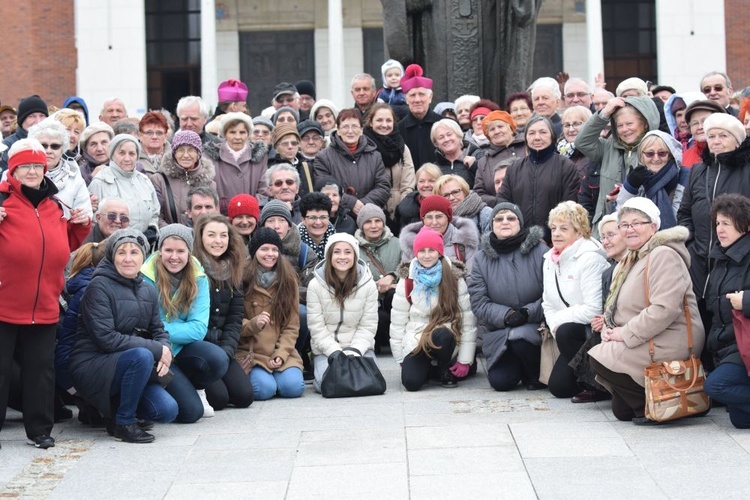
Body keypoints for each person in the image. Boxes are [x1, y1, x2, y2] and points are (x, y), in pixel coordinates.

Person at [0, 139, 90, 449]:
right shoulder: (1, 202)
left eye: (37, 166)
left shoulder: (55, 206)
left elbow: (65, 246)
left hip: (45, 303)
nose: (31, 171)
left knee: (41, 372)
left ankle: (39, 430)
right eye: (24, 166)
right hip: (5, 303)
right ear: (13, 169)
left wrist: (80, 225)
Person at [588, 198, 705, 425]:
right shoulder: (633, 257)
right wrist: (611, 329)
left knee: (599, 357)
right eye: (624, 224)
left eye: (637, 223)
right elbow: (622, 306)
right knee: (621, 412)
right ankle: (665, 401)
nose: (630, 229)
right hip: (647, 333)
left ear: (653, 226)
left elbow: (665, 309)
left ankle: (663, 405)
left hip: (671, 335)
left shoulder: (663, 255)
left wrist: (624, 334)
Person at [70, 229, 178, 443]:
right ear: (112, 256)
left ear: (143, 257)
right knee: (142, 356)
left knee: (166, 411)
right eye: (121, 253)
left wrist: (166, 350)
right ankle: (124, 422)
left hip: (127, 363)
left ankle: (112, 409)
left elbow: (158, 329)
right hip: (92, 363)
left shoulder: (147, 290)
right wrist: (155, 349)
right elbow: (106, 338)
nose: (128, 258)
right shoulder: (98, 286)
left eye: (134, 252)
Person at [141, 224, 229, 422]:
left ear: (189, 252)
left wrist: (163, 328)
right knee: (191, 413)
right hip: (158, 351)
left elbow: (198, 329)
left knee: (218, 359)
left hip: (182, 349)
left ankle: (194, 386)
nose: (174, 257)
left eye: (180, 251)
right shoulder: (145, 277)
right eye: (168, 250)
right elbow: (147, 327)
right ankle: (158, 390)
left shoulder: (198, 277)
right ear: (160, 250)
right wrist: (168, 331)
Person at [469, 203, 546, 391]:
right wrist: (506, 315)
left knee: (522, 340)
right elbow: (478, 301)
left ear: (520, 223)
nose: (505, 222)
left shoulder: (541, 252)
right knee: (500, 383)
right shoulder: (481, 258)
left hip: (534, 327)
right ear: (492, 224)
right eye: (499, 218)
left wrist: (528, 313)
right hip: (500, 331)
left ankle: (533, 373)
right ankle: (514, 366)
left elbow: (551, 295)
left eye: (511, 218)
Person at [390, 227, 477, 390]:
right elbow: (398, 321)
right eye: (422, 251)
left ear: (440, 252)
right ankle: (430, 368)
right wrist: (400, 357)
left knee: (442, 335)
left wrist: (465, 359)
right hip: (417, 337)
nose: (427, 255)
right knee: (411, 383)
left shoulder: (454, 278)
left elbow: (467, 321)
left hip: (445, 334)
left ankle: (445, 367)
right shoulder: (407, 280)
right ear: (416, 253)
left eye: (432, 250)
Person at [677, 113, 750, 305]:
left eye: (723, 136)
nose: (716, 141)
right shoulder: (698, 170)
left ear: (737, 140)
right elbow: (684, 212)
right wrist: (691, 243)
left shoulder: (747, 170)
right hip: (699, 260)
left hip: (737, 262)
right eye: (711, 136)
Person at [542, 201, 609, 400]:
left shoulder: (590, 258)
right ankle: (587, 380)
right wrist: (553, 324)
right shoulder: (549, 259)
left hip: (590, 332)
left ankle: (600, 384)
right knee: (559, 388)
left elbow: (594, 309)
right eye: (553, 228)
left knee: (566, 330)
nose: (556, 234)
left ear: (579, 232)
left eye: (564, 228)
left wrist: (558, 322)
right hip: (565, 332)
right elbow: (547, 302)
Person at [193, 213, 254, 411]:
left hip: (222, 347)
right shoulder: (193, 269)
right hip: (199, 348)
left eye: (223, 235)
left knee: (244, 396)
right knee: (218, 399)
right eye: (211, 235)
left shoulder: (233, 269)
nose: (218, 241)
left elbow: (234, 320)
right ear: (200, 238)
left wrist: (227, 353)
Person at [307, 232, 379, 392]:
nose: (342, 257)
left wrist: (354, 350)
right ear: (329, 256)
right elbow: (316, 328)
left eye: (348, 252)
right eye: (337, 252)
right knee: (327, 384)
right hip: (327, 350)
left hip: (359, 347)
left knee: (368, 382)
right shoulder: (315, 285)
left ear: (355, 256)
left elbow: (368, 325)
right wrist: (335, 352)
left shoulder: (368, 285)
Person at [576, 96, 660, 232]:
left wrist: (626, 193)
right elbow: (582, 142)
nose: (625, 129)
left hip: (639, 230)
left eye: (629, 124)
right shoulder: (607, 148)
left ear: (645, 123)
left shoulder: (655, 150)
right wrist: (604, 114)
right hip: (607, 229)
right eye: (620, 125)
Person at [239, 228, 305, 400]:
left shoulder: (288, 279)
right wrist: (253, 324)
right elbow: (233, 322)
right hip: (252, 352)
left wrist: (281, 354)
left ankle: (280, 373)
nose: (270, 254)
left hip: (281, 350)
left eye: (274, 250)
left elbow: (292, 325)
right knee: (263, 390)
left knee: (293, 388)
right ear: (254, 252)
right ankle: (266, 379)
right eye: (264, 249)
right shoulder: (241, 277)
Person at [704, 194, 750, 428]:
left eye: (727, 224)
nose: (720, 229)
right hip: (727, 345)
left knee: (715, 386)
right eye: (718, 223)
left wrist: (747, 301)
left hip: (744, 345)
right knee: (740, 420)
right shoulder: (720, 258)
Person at [497, 115, 580, 240]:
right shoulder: (514, 168)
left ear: (552, 136)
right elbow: (504, 203)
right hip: (519, 240)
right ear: (526, 138)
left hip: (554, 240)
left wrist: (550, 235)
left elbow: (569, 206)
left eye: (543, 132)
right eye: (531, 133)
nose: (537, 137)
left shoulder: (566, 167)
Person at [315, 108, 390, 217]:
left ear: (361, 130)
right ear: (338, 130)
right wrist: (351, 203)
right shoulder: (324, 157)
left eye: (354, 126)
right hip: (338, 217)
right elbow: (323, 187)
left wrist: (363, 205)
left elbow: (383, 186)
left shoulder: (375, 156)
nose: (350, 131)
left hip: (369, 217)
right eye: (345, 126)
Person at [89, 134, 160, 241]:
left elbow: (155, 212)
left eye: (132, 153)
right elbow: (94, 218)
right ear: (112, 155)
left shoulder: (144, 180)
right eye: (122, 153)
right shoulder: (100, 181)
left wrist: (151, 229)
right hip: (111, 246)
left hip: (145, 245)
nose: (127, 158)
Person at [615, 130, 688, 229]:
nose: (656, 158)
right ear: (642, 156)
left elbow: (679, 216)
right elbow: (621, 215)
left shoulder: (685, 176)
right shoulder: (637, 177)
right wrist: (630, 187)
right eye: (650, 154)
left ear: (670, 155)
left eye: (662, 153)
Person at [354, 204, 401, 351]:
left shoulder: (398, 243)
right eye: (368, 222)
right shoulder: (353, 247)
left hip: (393, 298)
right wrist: (374, 286)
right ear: (361, 226)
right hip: (369, 301)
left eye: (377, 221)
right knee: (380, 319)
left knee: (395, 296)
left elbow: (408, 268)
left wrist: (392, 277)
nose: (374, 226)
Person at [28, 119, 92, 219]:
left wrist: (82, 218)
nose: (48, 151)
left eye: (55, 146)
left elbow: (86, 214)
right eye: (43, 145)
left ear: (63, 149)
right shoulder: (18, 173)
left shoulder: (75, 178)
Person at [205, 112, 269, 214]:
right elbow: (206, 189)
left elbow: (264, 189)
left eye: (242, 132)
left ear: (248, 134)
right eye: (232, 132)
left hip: (250, 216)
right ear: (224, 134)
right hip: (220, 217)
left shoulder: (259, 156)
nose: (237, 137)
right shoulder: (210, 156)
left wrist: (248, 208)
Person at [363, 102, 415, 224]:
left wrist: (402, 208)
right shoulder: (364, 146)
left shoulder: (402, 147)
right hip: (372, 211)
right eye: (379, 120)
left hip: (399, 209)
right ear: (371, 122)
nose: (384, 125)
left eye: (388, 120)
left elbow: (408, 182)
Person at [150, 130, 216, 226]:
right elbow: (156, 215)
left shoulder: (209, 182)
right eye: (180, 150)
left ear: (198, 154)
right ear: (174, 153)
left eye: (191, 150)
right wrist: (173, 234)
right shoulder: (159, 180)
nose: (185, 155)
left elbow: (212, 216)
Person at [400, 194, 479, 271]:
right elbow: (406, 276)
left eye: (439, 217)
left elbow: (471, 277)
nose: (434, 222)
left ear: (448, 218)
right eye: (429, 217)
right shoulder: (412, 242)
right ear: (423, 220)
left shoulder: (464, 240)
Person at [472, 110, 526, 206]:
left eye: (500, 126)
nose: (497, 131)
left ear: (510, 128)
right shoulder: (484, 162)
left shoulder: (528, 146)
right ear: (488, 135)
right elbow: (478, 193)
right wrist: (499, 202)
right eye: (492, 129)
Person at [398, 64, 442, 168]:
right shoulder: (398, 129)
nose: (417, 100)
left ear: (430, 97)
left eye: (422, 94)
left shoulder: (444, 124)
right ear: (406, 99)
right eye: (412, 95)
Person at [1, 95, 49, 172]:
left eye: (42, 115)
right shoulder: (7, 145)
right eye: (31, 116)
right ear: (22, 120)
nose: (38, 121)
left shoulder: (53, 143)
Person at [395, 163, 441, 230]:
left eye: (431, 181)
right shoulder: (406, 204)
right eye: (421, 181)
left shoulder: (449, 203)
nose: (426, 185)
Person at [431, 118, 477, 186]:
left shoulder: (477, 156)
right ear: (436, 144)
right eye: (441, 137)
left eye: (449, 134)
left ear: (459, 135)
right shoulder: (434, 169)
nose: (446, 139)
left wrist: (475, 166)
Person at [557, 105, 593, 179]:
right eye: (567, 125)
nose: (571, 129)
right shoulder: (558, 152)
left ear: (589, 125)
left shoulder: (595, 153)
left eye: (576, 124)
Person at [298, 192, 336, 260]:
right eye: (313, 218)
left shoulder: (337, 242)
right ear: (303, 219)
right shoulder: (294, 245)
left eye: (323, 217)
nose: (318, 222)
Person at [136, 111, 170, 175]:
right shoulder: (132, 156)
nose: (154, 137)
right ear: (140, 136)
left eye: (159, 133)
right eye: (149, 133)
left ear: (165, 136)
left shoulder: (176, 157)